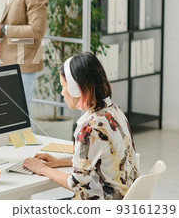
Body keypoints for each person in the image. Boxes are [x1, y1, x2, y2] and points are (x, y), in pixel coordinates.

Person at [23, 52, 139, 200]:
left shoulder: (89, 128)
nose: (62, 92)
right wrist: (59, 162)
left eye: (63, 86)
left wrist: (41, 168)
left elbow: (77, 183)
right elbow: (98, 160)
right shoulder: (114, 112)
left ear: (75, 89)